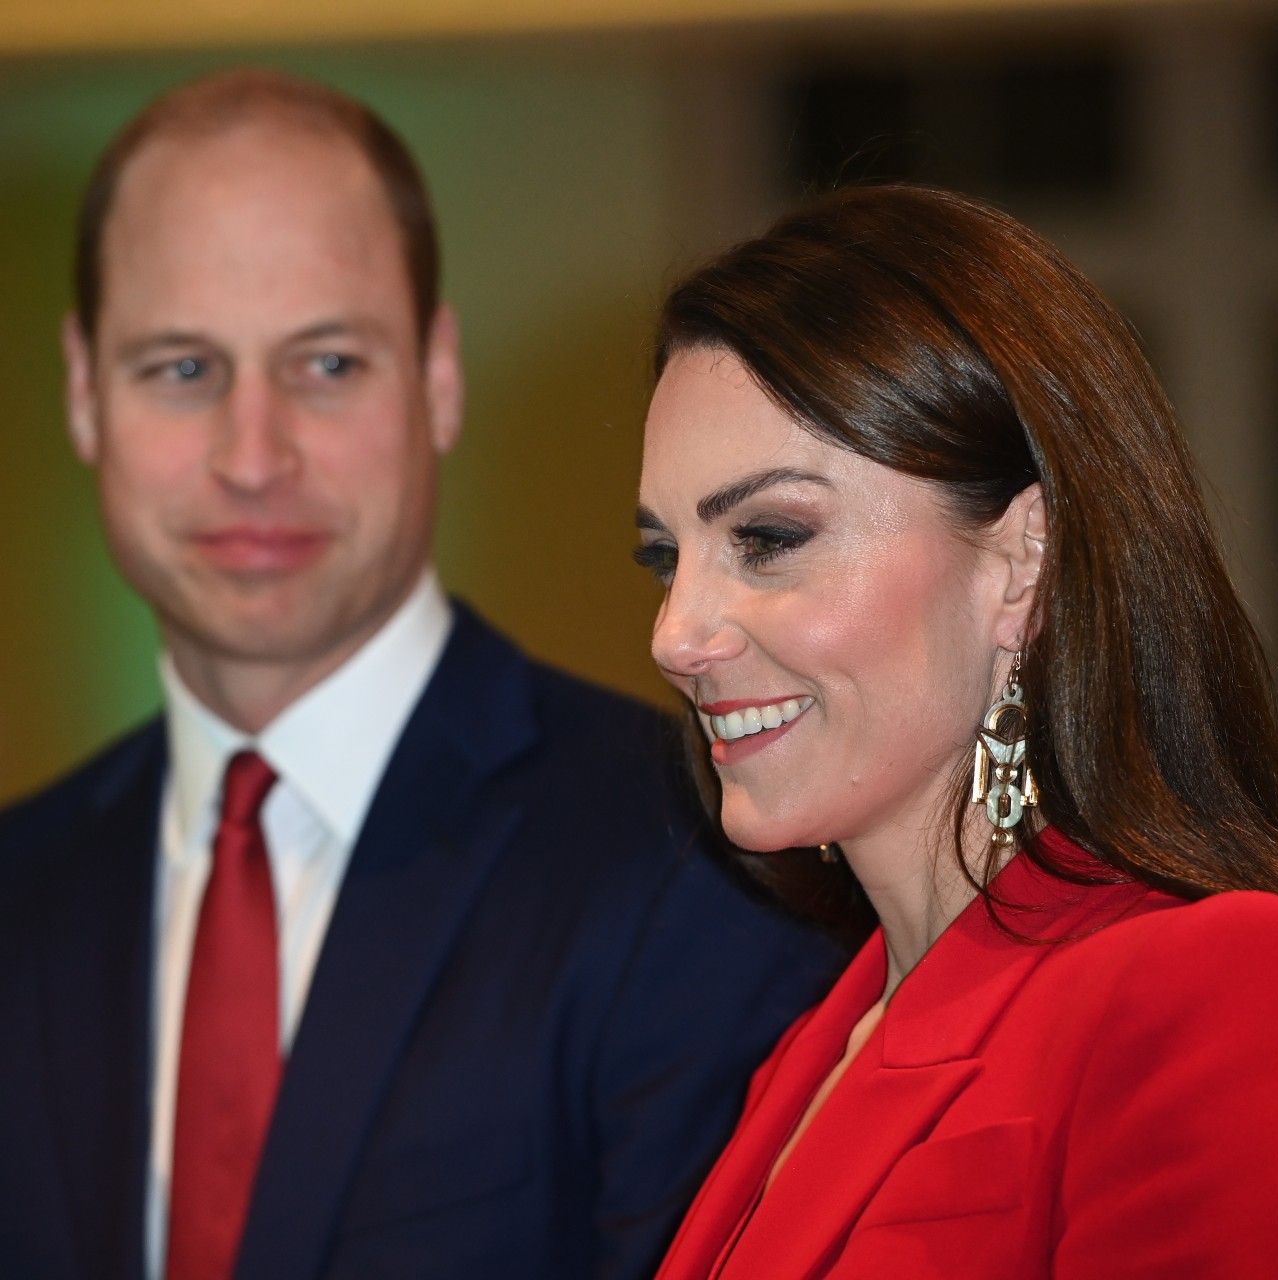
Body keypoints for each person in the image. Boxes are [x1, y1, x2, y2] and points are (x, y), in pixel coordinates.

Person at [0, 70, 843, 1280]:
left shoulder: (698, 853)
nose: (253, 455)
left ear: (437, 376)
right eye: (182, 369)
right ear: (85, 394)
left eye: (327, 363)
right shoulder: (18, 893)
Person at [635, 183, 1278, 1279]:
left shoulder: (1206, 985)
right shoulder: (811, 1046)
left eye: (768, 536)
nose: (673, 632)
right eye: (665, 556)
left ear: (1019, 560)